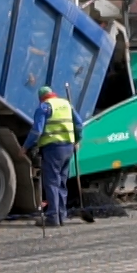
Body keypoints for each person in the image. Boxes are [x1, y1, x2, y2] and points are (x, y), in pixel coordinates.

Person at [24, 86, 86, 225]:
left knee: (52, 182)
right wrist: (77, 140)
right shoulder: (66, 105)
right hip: (68, 148)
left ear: (41, 98)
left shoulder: (44, 107)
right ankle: (61, 216)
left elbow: (37, 131)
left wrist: (25, 147)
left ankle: (52, 217)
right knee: (62, 183)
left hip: (53, 149)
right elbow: (79, 124)